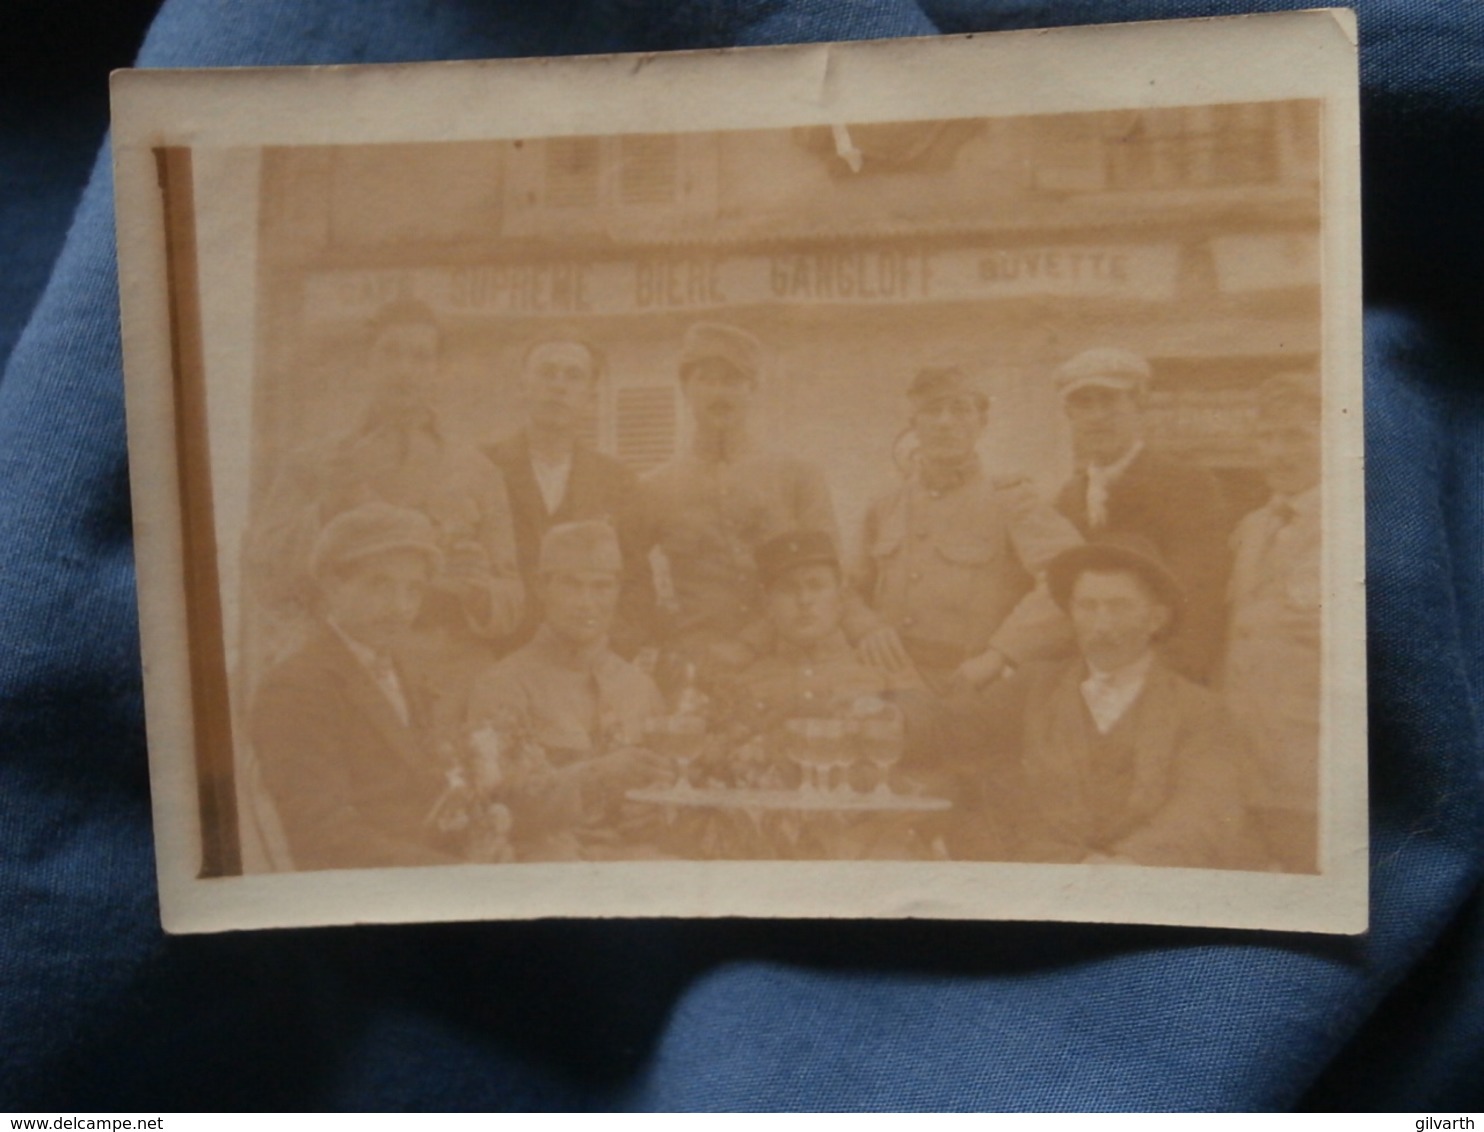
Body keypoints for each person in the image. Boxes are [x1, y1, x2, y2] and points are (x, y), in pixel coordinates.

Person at [244, 298, 523, 729]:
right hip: (344, 671)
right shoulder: (314, 464)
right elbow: (266, 575)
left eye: (420, 356)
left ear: (438, 370)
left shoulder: (477, 470)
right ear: (366, 363)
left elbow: (511, 597)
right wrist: (328, 508)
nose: (404, 368)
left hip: (448, 675)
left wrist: (478, 592)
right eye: (390, 353)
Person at [1011, 534, 1261, 869]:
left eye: (1119, 607)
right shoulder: (1034, 688)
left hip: (1149, 883)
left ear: (1155, 619)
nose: (1101, 624)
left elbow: (1206, 806)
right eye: (1088, 607)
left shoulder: (1200, 711)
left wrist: (1132, 860)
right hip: (1052, 881)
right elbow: (950, 730)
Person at [637, 321, 881, 665]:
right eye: (706, 380)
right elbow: (628, 581)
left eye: (733, 381)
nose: (720, 394)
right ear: (685, 388)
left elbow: (832, 576)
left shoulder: (796, 476)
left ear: (753, 388)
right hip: (700, 659)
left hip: (787, 658)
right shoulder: (654, 488)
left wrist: (866, 629)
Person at [250, 502, 465, 871]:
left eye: (413, 590)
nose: (400, 607)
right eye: (380, 585)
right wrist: (448, 873)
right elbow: (320, 834)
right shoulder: (296, 687)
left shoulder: (399, 666)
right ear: (333, 584)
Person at [856, 365, 1082, 695]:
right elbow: (847, 587)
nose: (945, 422)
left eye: (960, 409)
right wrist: (866, 628)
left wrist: (1001, 654)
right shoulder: (884, 507)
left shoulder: (1013, 500)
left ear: (982, 423)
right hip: (888, 683)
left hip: (970, 687)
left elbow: (1071, 577)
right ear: (914, 425)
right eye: (932, 410)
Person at [465, 521, 669, 858]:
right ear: (542, 587)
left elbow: (663, 787)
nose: (586, 603)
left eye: (601, 586)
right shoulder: (502, 685)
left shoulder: (639, 686)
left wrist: (654, 813)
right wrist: (596, 776)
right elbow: (494, 808)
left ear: (617, 590)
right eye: (571, 586)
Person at [1052, 347, 1232, 682]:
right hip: (1086, 683)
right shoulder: (1068, 499)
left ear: (1139, 404)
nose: (1097, 416)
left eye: (1109, 401)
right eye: (1084, 403)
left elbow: (1198, 607)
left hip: (1159, 683)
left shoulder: (1187, 486)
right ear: (1069, 414)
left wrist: (1154, 686)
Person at [483, 331, 653, 651]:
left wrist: (608, 655)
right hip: (499, 658)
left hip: (587, 663)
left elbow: (636, 585)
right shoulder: (484, 468)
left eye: (573, 376)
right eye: (547, 373)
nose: (558, 386)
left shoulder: (618, 480)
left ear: (590, 399)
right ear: (523, 388)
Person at [1222, 371, 1323, 872]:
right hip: (1247, 765)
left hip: (1315, 774)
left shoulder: (1356, 523)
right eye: (1267, 437)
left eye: (1296, 436)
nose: (1278, 453)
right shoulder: (1252, 528)